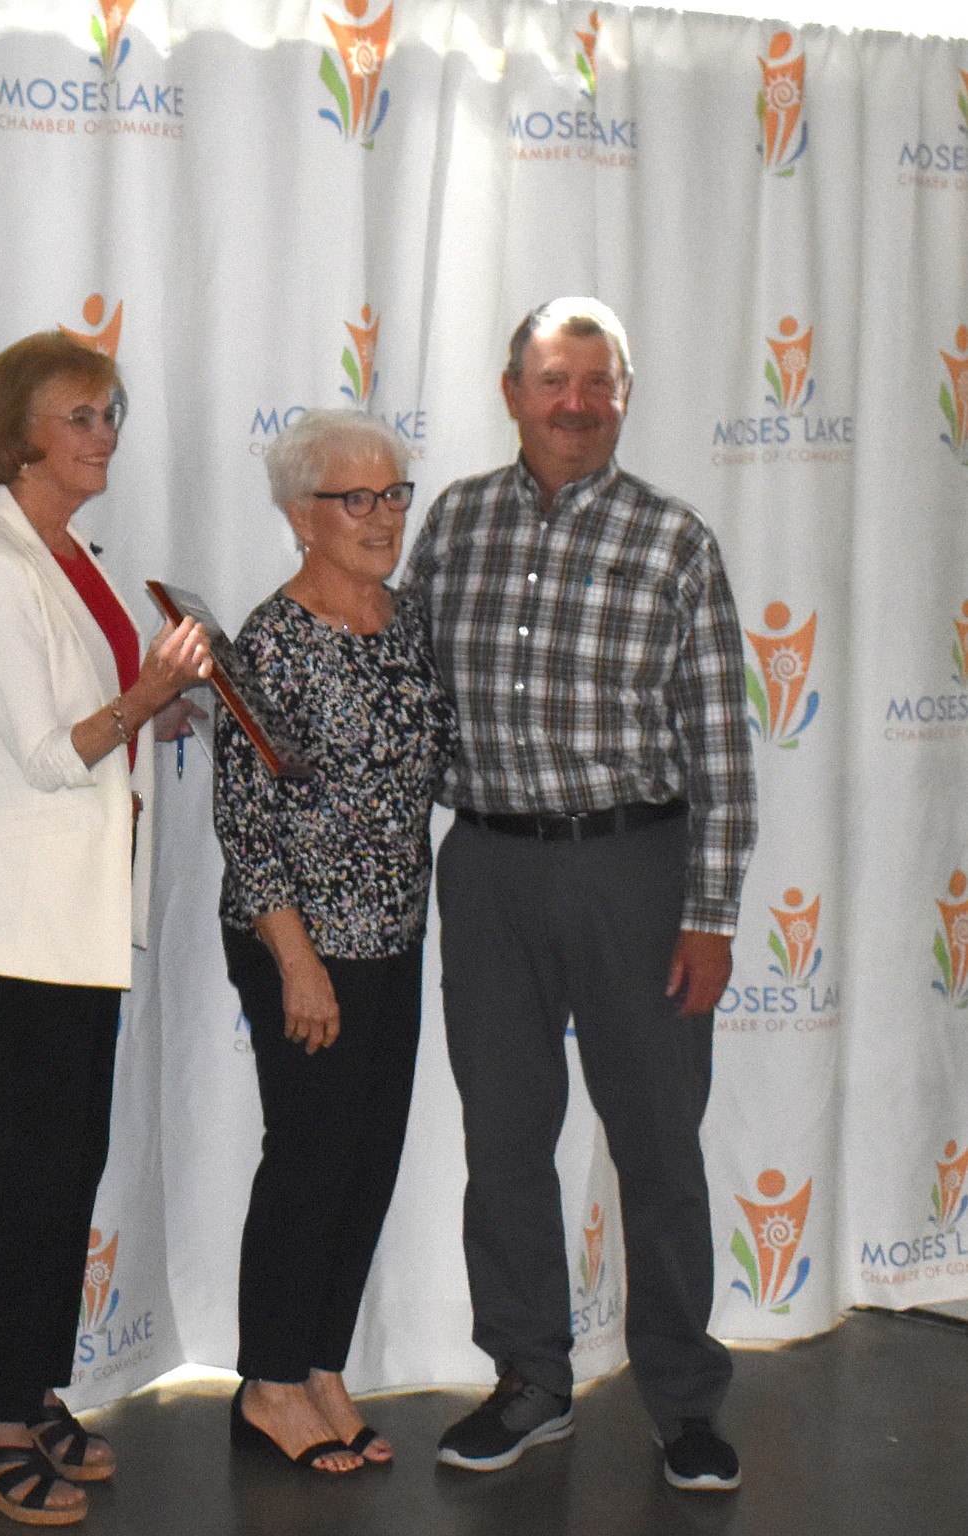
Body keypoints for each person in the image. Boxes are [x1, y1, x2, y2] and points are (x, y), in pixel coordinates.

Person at [403, 298, 757, 1491]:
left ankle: (684, 1398)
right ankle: (530, 1380)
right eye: (555, 381)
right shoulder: (452, 525)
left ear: (622, 397)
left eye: (598, 383)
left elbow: (720, 749)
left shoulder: (674, 541)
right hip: (489, 867)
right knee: (504, 1137)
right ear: (512, 393)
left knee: (658, 1147)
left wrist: (710, 914)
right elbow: (406, 694)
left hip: (636, 875)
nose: (576, 404)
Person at [0, 331, 212, 1526]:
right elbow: (50, 752)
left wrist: (160, 716)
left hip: (73, 916)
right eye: (82, 415)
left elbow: (84, 727)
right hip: (22, 922)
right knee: (35, 1173)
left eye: (113, 412)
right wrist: (141, 698)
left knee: (63, 1164)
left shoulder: (69, 552)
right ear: (17, 435)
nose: (106, 434)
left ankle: (27, 1388)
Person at [214, 409, 458, 1474]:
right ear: (299, 514)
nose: (383, 517)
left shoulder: (407, 621)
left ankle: (320, 1363)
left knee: (367, 1162)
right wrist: (298, 961)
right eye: (356, 498)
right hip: (297, 943)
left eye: (397, 493)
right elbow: (243, 820)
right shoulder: (269, 639)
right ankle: (268, 1382)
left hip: (394, 936)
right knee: (309, 1160)